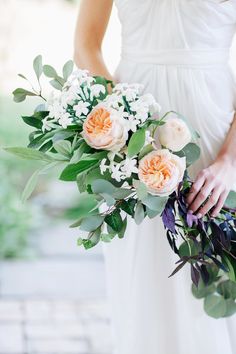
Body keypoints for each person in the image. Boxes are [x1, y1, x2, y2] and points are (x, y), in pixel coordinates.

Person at [74, 1, 236, 353]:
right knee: (141, 278)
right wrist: (121, 118)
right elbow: (86, 44)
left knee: (211, 272)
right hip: (130, 126)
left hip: (211, 130)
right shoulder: (125, 122)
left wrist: (230, 162)